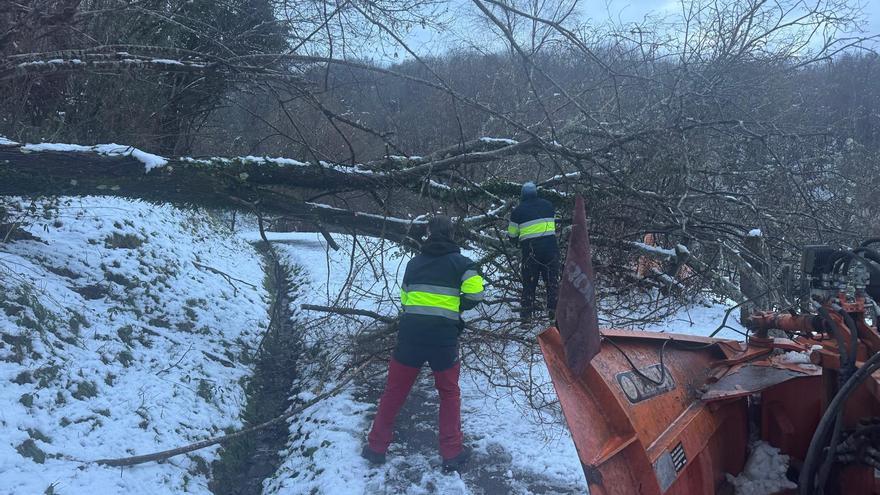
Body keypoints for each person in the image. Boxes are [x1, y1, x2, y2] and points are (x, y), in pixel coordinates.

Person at [361, 215, 484, 472]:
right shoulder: (464, 264)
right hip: (443, 339)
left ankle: (375, 448)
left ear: (428, 234)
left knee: (394, 391)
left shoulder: (413, 264)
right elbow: (476, 295)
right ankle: (451, 453)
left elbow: (405, 299)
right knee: (449, 394)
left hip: (410, 336)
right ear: (452, 235)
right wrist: (453, 310)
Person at [507, 182, 559, 322]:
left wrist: (516, 241)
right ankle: (554, 314)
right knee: (552, 282)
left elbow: (512, 235)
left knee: (529, 284)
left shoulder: (518, 211)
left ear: (522, 195)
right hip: (551, 250)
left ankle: (526, 317)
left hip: (531, 252)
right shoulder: (548, 205)